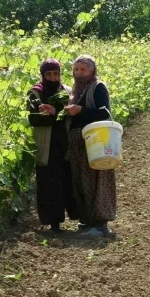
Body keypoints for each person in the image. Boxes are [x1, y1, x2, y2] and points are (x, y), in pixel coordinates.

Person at [64, 54, 117, 237]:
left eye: (83, 69)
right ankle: (88, 221)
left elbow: (104, 113)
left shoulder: (97, 87)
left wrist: (80, 111)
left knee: (97, 181)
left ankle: (101, 224)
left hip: (95, 143)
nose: (79, 73)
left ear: (92, 70)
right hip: (78, 145)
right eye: (76, 69)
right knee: (82, 182)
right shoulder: (76, 91)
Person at [27, 59, 79, 232]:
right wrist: (55, 115)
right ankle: (53, 223)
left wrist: (54, 112)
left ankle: (75, 217)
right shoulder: (35, 92)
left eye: (56, 73)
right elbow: (34, 118)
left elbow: (71, 116)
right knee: (48, 182)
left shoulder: (66, 91)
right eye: (48, 74)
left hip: (64, 142)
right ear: (42, 75)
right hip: (46, 144)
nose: (53, 77)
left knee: (67, 180)